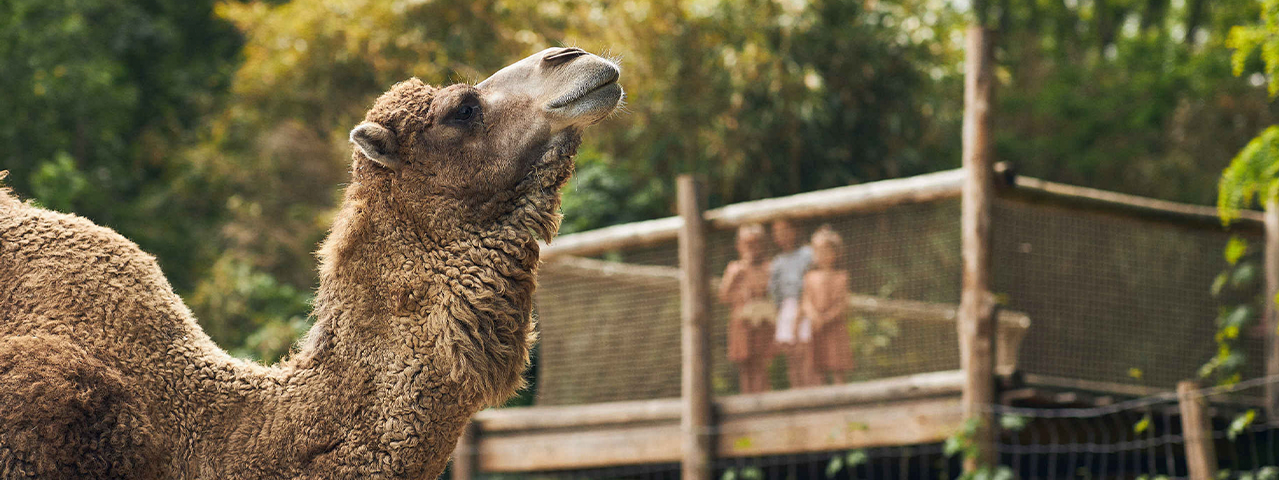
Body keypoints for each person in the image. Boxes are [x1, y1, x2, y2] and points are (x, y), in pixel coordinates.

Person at [717, 224, 775, 394]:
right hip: (741, 324)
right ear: (739, 246)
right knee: (744, 363)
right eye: (747, 244)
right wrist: (734, 277)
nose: (752, 248)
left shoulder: (768, 267)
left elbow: (774, 294)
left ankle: (763, 398)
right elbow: (723, 297)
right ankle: (748, 399)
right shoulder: (734, 269)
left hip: (762, 323)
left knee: (761, 363)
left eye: (756, 243)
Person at [802, 225, 854, 385]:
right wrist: (814, 316)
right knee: (818, 366)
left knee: (837, 364)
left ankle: (842, 395)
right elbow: (806, 301)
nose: (821, 255)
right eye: (818, 251)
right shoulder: (809, 277)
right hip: (816, 329)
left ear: (836, 253)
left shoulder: (841, 277)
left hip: (834, 328)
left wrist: (826, 318)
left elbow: (842, 303)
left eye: (826, 251)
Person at [768, 219, 817, 388]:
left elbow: (811, 281)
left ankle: (811, 393)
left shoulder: (808, 254)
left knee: (806, 352)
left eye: (785, 230)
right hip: (786, 309)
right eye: (777, 232)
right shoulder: (778, 262)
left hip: (805, 305)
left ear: (795, 230)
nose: (782, 236)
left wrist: (803, 308)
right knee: (791, 354)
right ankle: (797, 395)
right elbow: (775, 291)